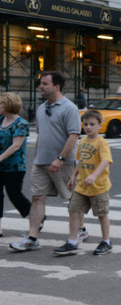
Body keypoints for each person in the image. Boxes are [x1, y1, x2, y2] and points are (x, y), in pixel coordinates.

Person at [10, 71, 84, 252]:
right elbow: (42, 136)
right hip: (41, 162)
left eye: (44, 83)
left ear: (56, 86)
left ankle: (75, 237)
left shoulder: (69, 108)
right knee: (37, 197)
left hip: (63, 163)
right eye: (41, 83)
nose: (40, 87)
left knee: (72, 201)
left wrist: (60, 158)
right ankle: (32, 237)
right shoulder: (41, 108)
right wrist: (36, 158)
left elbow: (73, 136)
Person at [54, 110, 113, 256]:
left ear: (100, 125)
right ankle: (72, 242)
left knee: (102, 214)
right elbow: (80, 161)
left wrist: (93, 176)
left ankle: (106, 241)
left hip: (98, 187)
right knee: (73, 210)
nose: (88, 127)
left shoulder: (102, 142)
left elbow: (106, 161)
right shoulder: (83, 142)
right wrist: (74, 176)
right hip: (81, 186)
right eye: (85, 124)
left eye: (92, 124)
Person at [0, 93, 32, 237]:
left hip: (15, 167)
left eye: (1, 103)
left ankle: (36, 218)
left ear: (8, 105)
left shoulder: (21, 123)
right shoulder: (0, 120)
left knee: (15, 195)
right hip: (0, 166)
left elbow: (16, 146)